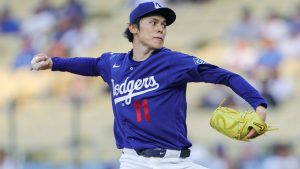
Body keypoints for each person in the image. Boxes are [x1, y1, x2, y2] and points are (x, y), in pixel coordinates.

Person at [30, 2, 268, 169]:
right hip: (134, 162)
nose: (160, 28)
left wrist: (259, 104)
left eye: (163, 24)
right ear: (133, 28)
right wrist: (54, 62)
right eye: (153, 22)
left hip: (176, 162)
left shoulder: (173, 62)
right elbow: (91, 64)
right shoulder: (114, 63)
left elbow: (226, 76)